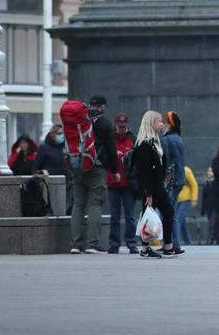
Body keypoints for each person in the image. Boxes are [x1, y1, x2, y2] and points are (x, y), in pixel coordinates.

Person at [64, 97, 119, 255]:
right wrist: (114, 171)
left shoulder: (78, 120)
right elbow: (111, 149)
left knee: (78, 204)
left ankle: (75, 244)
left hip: (77, 166)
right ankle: (92, 244)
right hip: (96, 166)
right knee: (95, 204)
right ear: (101, 107)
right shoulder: (105, 124)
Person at [132, 111, 175, 258]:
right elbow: (144, 172)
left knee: (163, 212)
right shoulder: (143, 144)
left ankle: (166, 246)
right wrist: (148, 193)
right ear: (151, 123)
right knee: (148, 215)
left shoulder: (155, 142)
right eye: (159, 121)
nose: (162, 124)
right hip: (150, 186)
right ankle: (146, 248)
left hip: (157, 184)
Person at [106, 113, 138, 254]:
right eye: (119, 127)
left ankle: (131, 243)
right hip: (113, 183)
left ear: (128, 126)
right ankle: (114, 244)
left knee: (130, 216)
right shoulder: (109, 139)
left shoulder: (133, 139)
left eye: (124, 127)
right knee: (114, 216)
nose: (122, 129)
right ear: (115, 125)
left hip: (129, 184)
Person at [161, 111, 187, 254]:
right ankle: (172, 243)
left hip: (171, 181)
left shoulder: (167, 140)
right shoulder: (177, 138)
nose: (161, 125)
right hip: (178, 179)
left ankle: (172, 244)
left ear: (169, 124)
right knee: (172, 213)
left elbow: (166, 162)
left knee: (169, 213)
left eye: (163, 122)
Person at [175, 164, 198, 248]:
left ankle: (175, 242)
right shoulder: (171, 170)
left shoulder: (186, 170)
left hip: (186, 199)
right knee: (181, 221)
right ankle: (188, 241)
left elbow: (194, 184)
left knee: (177, 220)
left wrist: (194, 199)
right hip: (176, 200)